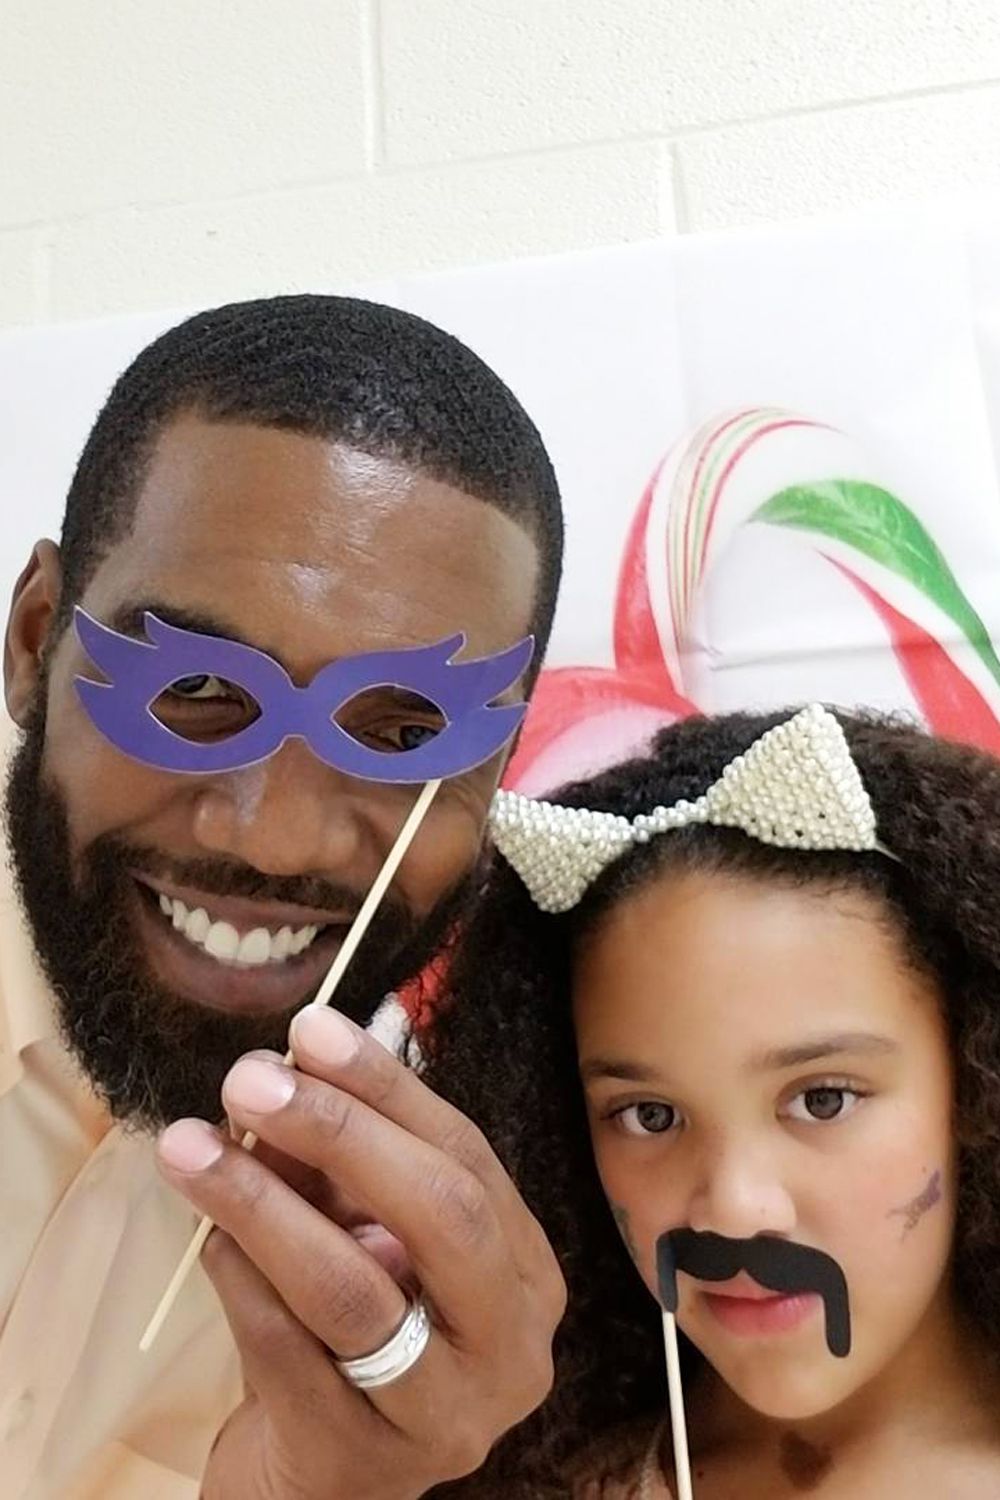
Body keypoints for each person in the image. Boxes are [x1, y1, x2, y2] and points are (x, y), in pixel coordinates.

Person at [0, 293, 566, 1499]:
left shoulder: (409, 1256)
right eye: (197, 686)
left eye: (406, 729)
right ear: (36, 639)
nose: (272, 837)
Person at [423, 705, 1000, 1495]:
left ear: (974, 1085)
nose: (733, 1210)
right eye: (649, 1115)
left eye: (823, 1099)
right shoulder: (487, 1471)